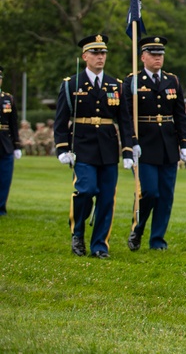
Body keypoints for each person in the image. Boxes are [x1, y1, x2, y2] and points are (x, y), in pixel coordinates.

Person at [53, 34, 137, 257]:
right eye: (95, 53)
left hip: (108, 147)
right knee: (86, 190)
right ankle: (78, 233)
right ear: (85, 56)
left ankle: (99, 245)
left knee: (107, 198)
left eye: (103, 53)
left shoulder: (115, 85)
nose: (100, 57)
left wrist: (128, 149)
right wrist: (62, 148)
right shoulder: (71, 84)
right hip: (82, 147)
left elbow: (125, 121)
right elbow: (60, 120)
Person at [120, 36, 186, 252]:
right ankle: (138, 229)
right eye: (153, 54)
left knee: (165, 196)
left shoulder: (172, 81)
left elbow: (180, 115)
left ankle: (157, 239)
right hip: (144, 146)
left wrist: (184, 143)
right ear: (142, 57)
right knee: (148, 192)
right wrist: (131, 143)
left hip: (168, 146)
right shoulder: (131, 82)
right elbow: (126, 116)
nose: (158, 58)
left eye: (160, 55)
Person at [0, 65, 22, 215]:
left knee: (4, 178)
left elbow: (13, 123)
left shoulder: (8, 99)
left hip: (5, 143)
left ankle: (1, 207)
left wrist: (17, 145)